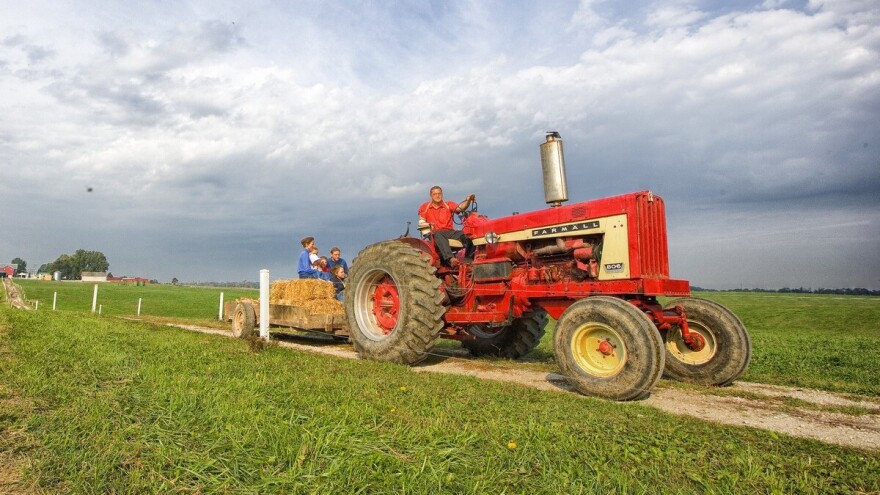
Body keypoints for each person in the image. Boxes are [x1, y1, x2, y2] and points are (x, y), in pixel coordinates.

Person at [417, 185, 476, 266]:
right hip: (435, 234)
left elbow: (460, 208)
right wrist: (427, 226)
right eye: (435, 194)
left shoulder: (448, 204)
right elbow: (421, 221)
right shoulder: (425, 207)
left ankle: (469, 257)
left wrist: (468, 200)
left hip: (449, 232)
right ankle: (450, 259)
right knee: (437, 233)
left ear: (442, 194)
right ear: (431, 195)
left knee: (469, 233)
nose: (437, 196)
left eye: (439, 193)